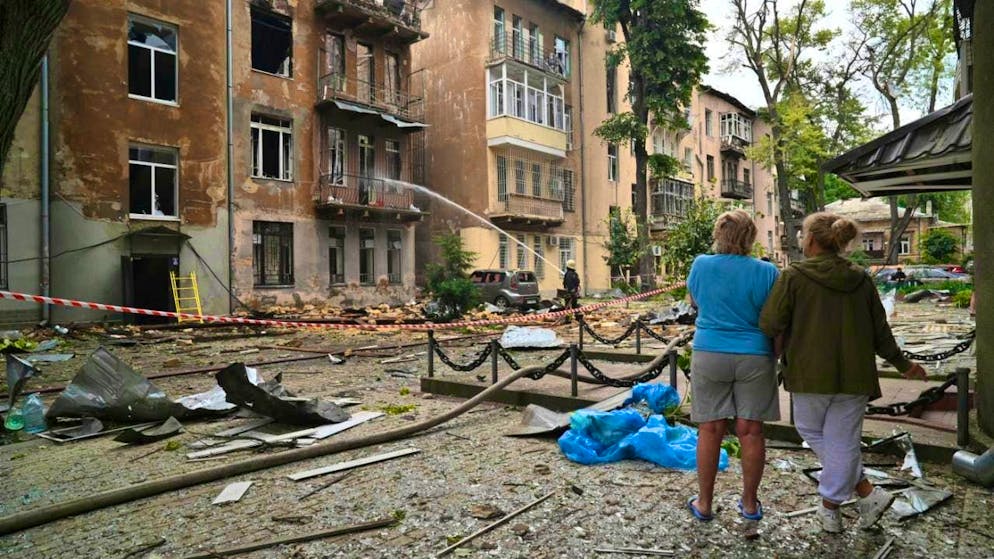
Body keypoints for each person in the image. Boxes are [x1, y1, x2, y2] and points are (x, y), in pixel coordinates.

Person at [759, 212, 927, 533]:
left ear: (810, 239)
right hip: (855, 375)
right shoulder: (860, 278)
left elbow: (769, 323)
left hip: (810, 373)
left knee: (812, 431)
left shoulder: (793, 276)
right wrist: (903, 364)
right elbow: (880, 331)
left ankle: (831, 508)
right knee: (843, 441)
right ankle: (864, 494)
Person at [686, 210, 780, 531]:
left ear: (719, 234)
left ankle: (705, 503)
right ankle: (750, 504)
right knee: (751, 430)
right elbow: (775, 318)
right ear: (751, 237)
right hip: (755, 354)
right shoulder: (768, 272)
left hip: (709, 350)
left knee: (710, 429)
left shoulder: (701, 265)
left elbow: (695, 302)